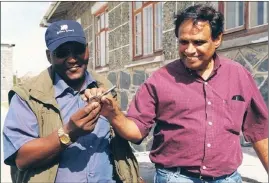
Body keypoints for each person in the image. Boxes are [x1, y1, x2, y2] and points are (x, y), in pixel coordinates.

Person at [84, 4, 268, 183]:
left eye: (198, 42)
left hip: (228, 178)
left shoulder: (238, 75)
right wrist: (113, 113)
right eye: (183, 42)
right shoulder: (160, 80)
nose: (189, 50)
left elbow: (259, 131)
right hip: (175, 177)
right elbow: (136, 131)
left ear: (217, 39)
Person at [3, 20, 140, 183]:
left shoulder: (105, 86)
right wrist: (69, 133)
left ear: (87, 49)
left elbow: (121, 144)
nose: (72, 59)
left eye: (78, 50)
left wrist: (114, 114)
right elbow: (21, 158)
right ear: (49, 56)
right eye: (62, 52)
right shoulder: (28, 96)